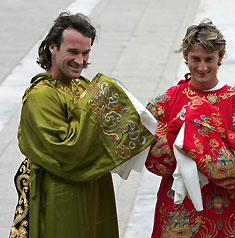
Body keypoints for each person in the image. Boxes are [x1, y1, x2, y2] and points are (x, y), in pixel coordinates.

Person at [9, 12, 156, 238]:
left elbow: (111, 128)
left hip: (95, 189)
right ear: (52, 47)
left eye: (86, 53)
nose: (80, 61)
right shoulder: (41, 96)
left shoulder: (82, 85)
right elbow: (68, 152)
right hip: (62, 196)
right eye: (73, 52)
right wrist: (100, 99)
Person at [145, 19, 235, 237]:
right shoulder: (167, 100)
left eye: (210, 59)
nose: (202, 67)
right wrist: (217, 143)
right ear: (185, 57)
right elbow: (155, 162)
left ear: (221, 57)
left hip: (227, 209)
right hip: (178, 209)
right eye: (195, 59)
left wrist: (189, 138)